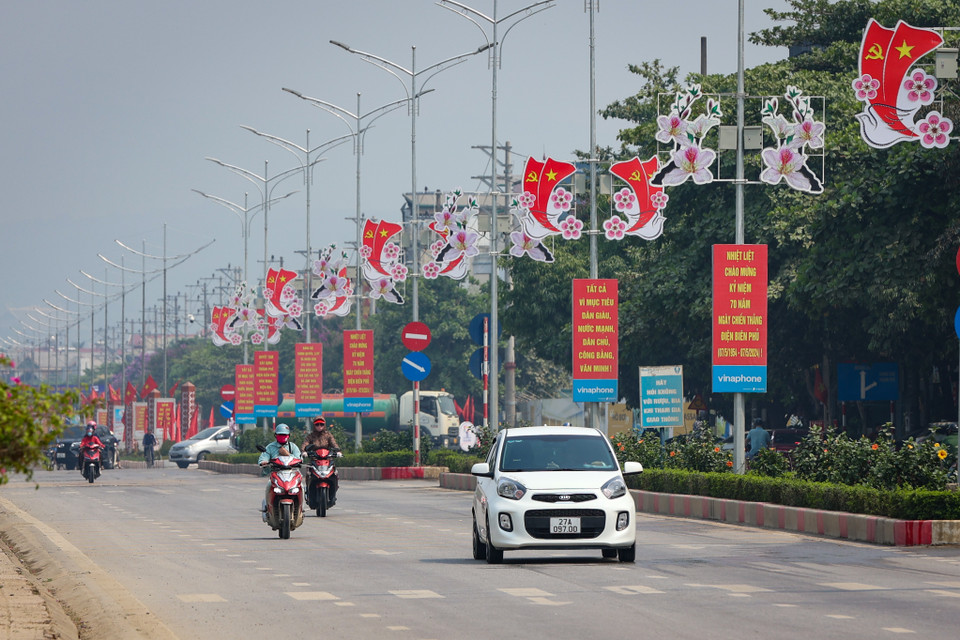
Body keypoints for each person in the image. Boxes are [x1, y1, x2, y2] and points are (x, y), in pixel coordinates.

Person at [301, 416, 341, 505]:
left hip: (327, 460)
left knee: (335, 474)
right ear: (314, 425)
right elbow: (305, 444)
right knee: (309, 474)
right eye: (317, 424)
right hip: (315, 461)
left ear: (324, 425)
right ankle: (309, 492)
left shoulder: (328, 435)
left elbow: (334, 444)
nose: (319, 426)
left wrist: (338, 451)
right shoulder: (310, 436)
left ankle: (333, 493)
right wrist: (304, 452)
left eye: (321, 424)